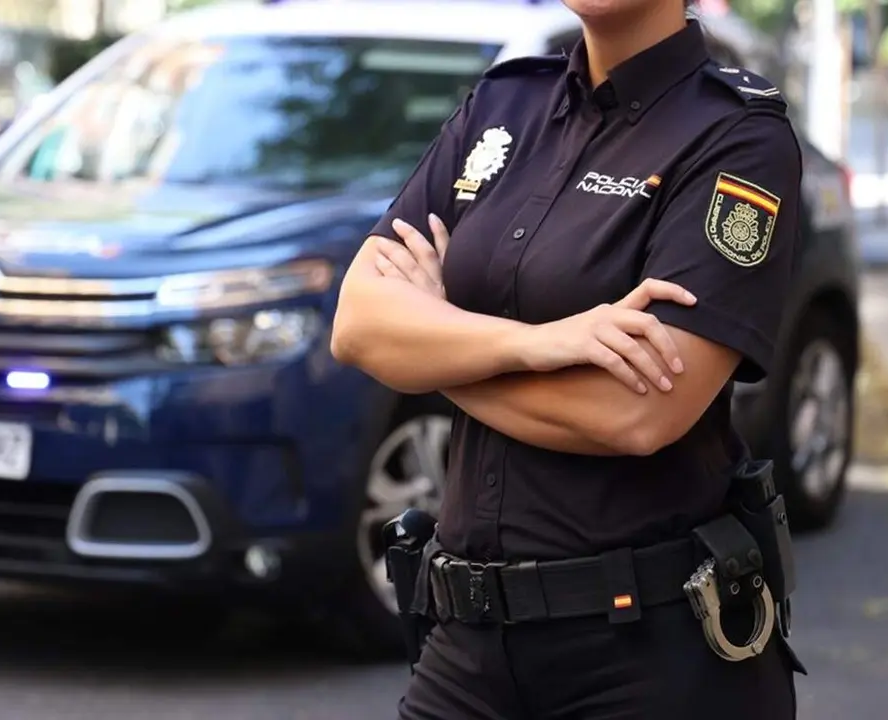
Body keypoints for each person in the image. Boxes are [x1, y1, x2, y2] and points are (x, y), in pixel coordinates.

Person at [330, 0, 806, 718]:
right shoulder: (505, 100)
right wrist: (537, 344)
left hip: (644, 652)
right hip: (464, 647)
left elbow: (637, 411)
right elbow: (359, 324)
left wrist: (433, 350)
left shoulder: (735, 134)